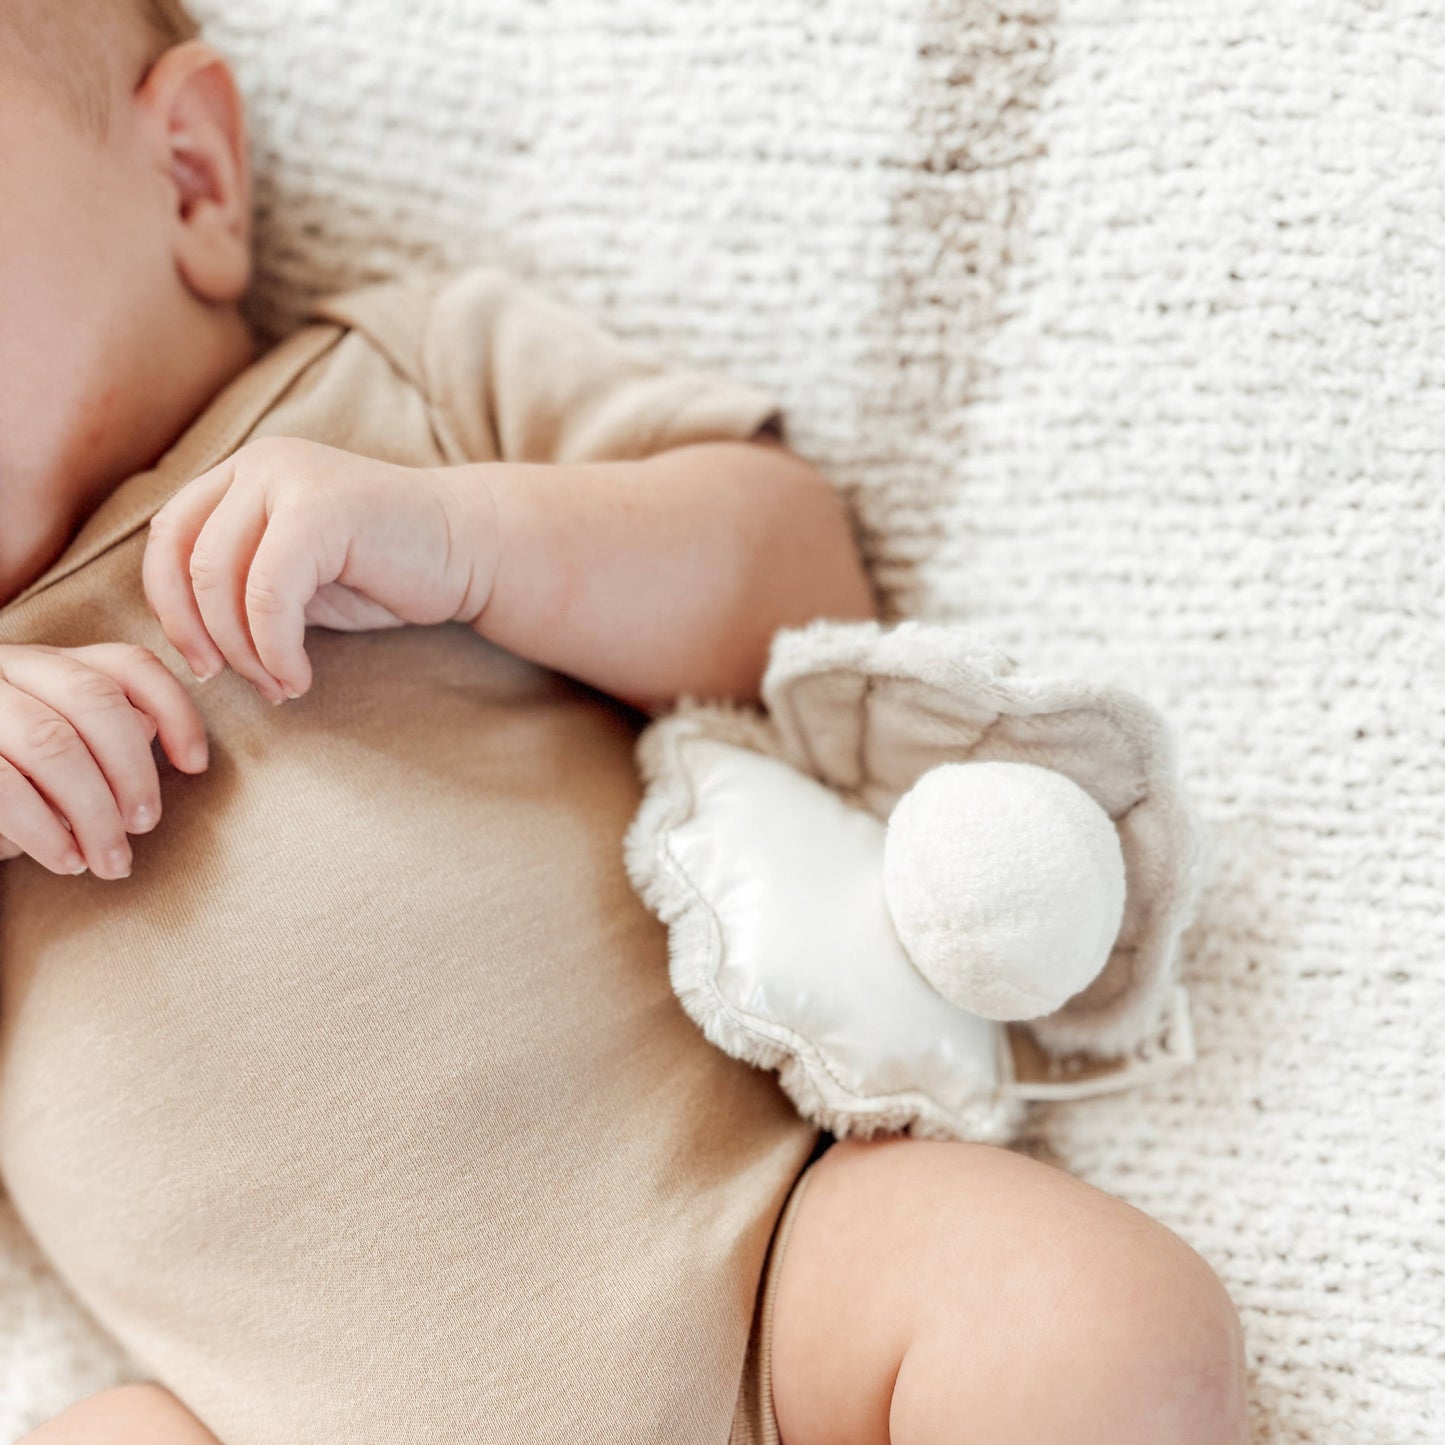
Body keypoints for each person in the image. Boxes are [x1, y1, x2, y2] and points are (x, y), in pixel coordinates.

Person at [0, 3, 1249, 1441]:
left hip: (759, 1294)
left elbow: (799, 596)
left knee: (1076, 1317)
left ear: (190, 179)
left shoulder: (395, 392)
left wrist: (478, 541)